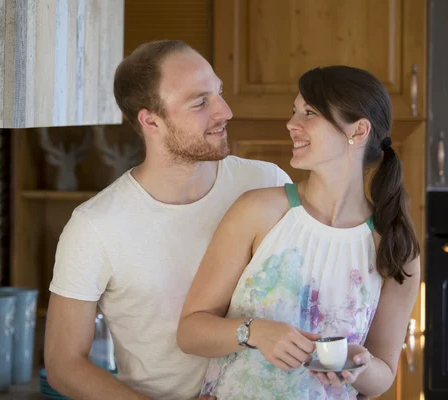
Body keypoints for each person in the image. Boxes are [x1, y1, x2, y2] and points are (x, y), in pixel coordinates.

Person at [43, 40, 292, 400]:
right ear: (151, 121)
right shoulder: (95, 226)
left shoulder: (267, 184)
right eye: (201, 102)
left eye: (218, 92)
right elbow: (63, 364)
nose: (225, 111)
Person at [177, 65, 421, 399]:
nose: (292, 124)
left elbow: (383, 376)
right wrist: (255, 332)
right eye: (294, 112)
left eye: (310, 113)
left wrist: (359, 366)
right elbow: (190, 332)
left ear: (359, 131)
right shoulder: (257, 212)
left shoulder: (394, 245)